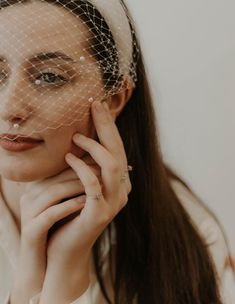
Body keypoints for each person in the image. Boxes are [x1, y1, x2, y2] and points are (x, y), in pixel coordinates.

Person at [0, 0, 234, 303]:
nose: (9, 108)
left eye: (49, 76)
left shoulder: (187, 237)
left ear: (113, 99)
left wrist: (65, 267)